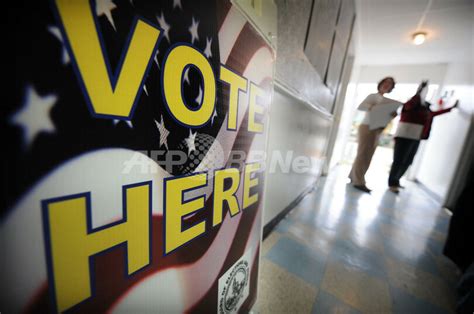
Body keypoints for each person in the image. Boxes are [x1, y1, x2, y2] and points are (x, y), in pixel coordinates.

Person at [388, 80, 458, 193]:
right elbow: (410, 105)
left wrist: (451, 108)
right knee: (399, 160)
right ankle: (392, 183)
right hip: (404, 135)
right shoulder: (411, 104)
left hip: (416, 136)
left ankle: (396, 180)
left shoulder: (425, 107)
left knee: (408, 160)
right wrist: (418, 92)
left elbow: (433, 114)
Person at [349, 77, 401, 193]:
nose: (387, 85)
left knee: (366, 154)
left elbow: (385, 116)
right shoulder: (373, 96)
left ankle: (353, 176)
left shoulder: (387, 100)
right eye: (386, 82)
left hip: (377, 128)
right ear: (381, 84)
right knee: (364, 155)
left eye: (390, 84)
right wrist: (374, 107)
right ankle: (359, 182)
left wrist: (392, 114)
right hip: (367, 127)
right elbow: (361, 107)